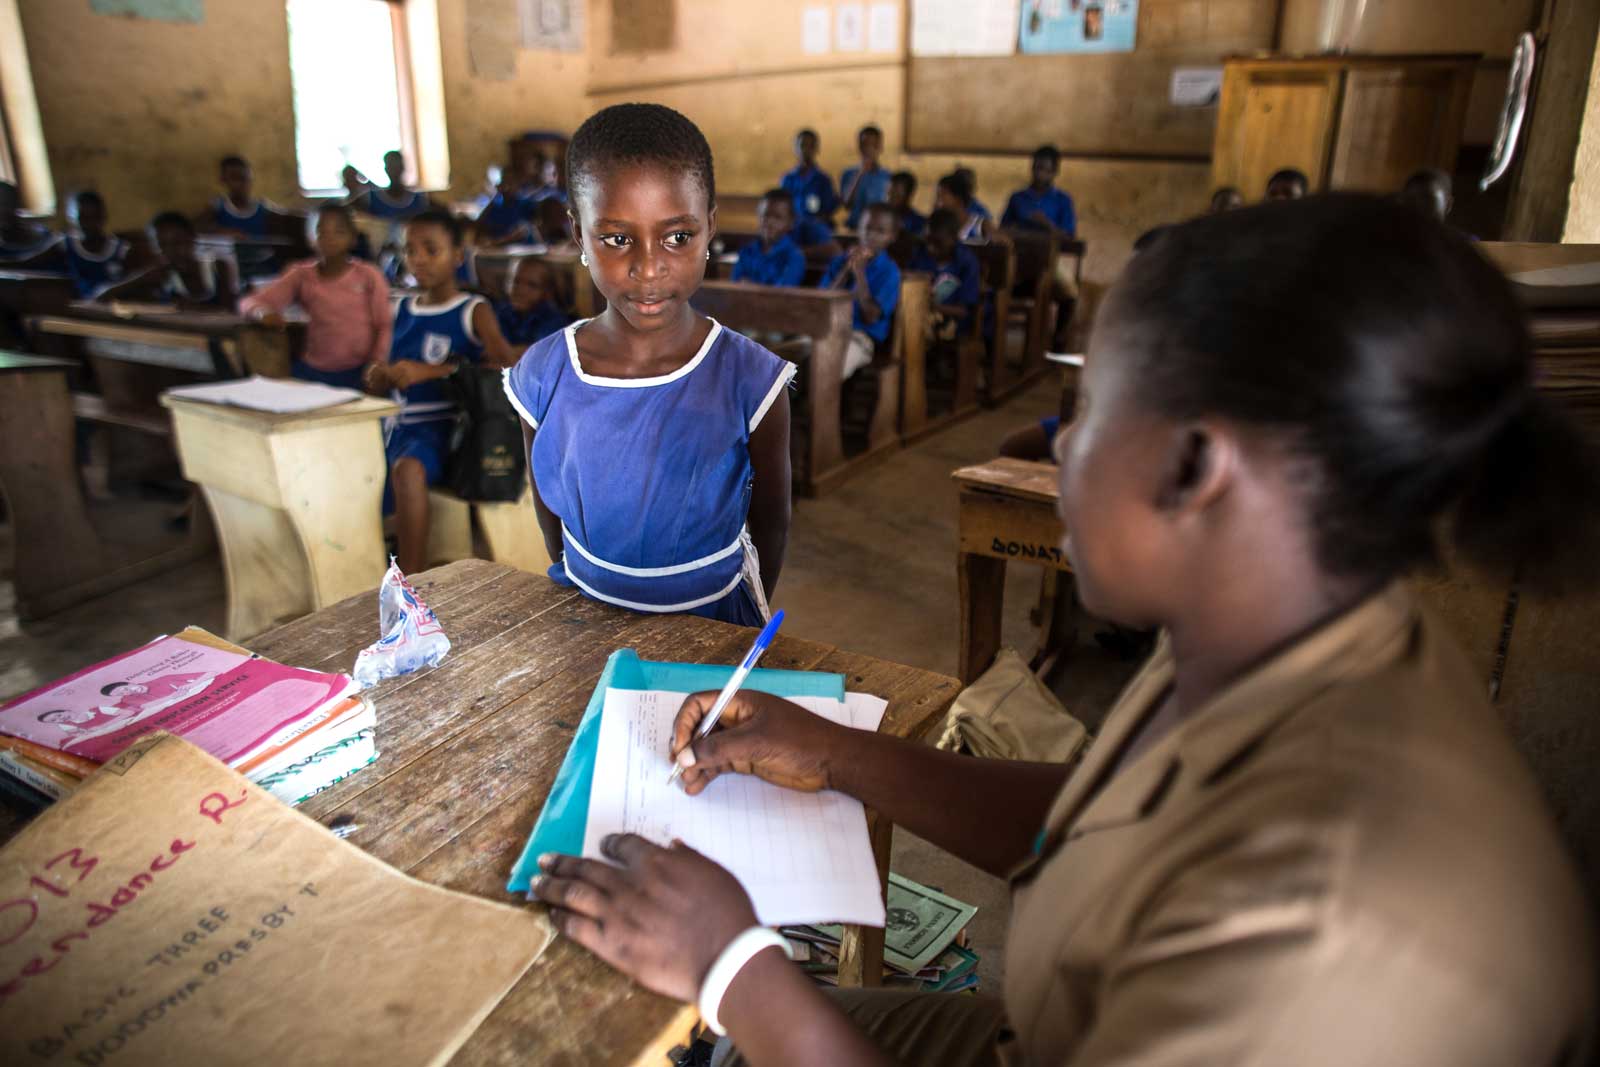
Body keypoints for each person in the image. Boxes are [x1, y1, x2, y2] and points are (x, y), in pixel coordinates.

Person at [528, 195, 1600, 1066]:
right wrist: (836, 751)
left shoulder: (1336, 931)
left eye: (1083, 411)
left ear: (1191, 466)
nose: (1058, 448)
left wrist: (730, 960)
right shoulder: (1264, 636)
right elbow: (1095, 824)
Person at [503, 103, 794, 627]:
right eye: (616, 238)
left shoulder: (750, 378)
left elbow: (772, 519)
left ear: (709, 228)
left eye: (677, 237)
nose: (648, 266)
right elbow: (549, 504)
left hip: (714, 622)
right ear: (578, 235)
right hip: (586, 616)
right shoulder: (545, 372)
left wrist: (735, 627)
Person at [364, 209, 517, 575]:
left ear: (457, 257)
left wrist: (432, 371)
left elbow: (505, 367)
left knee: (409, 469)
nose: (417, 259)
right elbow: (378, 369)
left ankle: (408, 579)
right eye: (410, 251)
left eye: (430, 250)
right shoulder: (401, 307)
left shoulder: (472, 310)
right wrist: (381, 375)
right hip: (397, 425)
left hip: (447, 428)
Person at [239, 204, 391, 389]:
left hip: (359, 371)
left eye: (339, 231)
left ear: (353, 238)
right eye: (321, 231)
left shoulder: (368, 275)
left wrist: (377, 362)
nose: (330, 238)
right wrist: (261, 313)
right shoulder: (301, 274)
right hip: (313, 372)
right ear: (309, 237)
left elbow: (384, 325)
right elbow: (248, 302)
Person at [1002, 145, 1079, 350]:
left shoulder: (1062, 201)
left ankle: (1058, 342)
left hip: (1048, 263)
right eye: (1036, 167)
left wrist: (1046, 225)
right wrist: (1016, 231)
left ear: (1055, 172)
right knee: (996, 286)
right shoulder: (1018, 198)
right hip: (1018, 262)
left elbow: (1069, 237)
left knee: (1070, 294)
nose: (1039, 173)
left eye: (1045, 169)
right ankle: (995, 343)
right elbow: (1002, 229)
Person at [819, 202, 901, 380]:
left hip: (860, 339)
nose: (870, 235)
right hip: (826, 331)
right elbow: (821, 302)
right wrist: (846, 271)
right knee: (788, 361)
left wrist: (859, 274)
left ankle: (820, 408)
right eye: (866, 228)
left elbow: (870, 316)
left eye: (880, 231)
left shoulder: (890, 271)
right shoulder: (841, 262)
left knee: (830, 369)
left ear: (892, 236)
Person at [98, 211, 238, 309]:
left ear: (192, 239)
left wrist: (194, 309)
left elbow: (230, 309)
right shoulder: (160, 277)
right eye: (162, 245)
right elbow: (100, 298)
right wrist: (141, 278)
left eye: (178, 242)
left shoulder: (217, 267)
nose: (171, 251)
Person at [196, 155, 294, 278]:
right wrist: (220, 232)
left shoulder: (263, 206)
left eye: (244, 178)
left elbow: (287, 218)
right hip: (232, 265)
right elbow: (197, 228)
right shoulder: (218, 205)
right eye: (234, 178)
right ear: (223, 180)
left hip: (261, 262)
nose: (240, 184)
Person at [909, 208, 980, 337]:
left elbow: (964, 311)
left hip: (953, 324)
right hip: (918, 316)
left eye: (937, 243)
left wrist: (930, 306)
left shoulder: (966, 262)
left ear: (954, 238)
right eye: (927, 241)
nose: (930, 248)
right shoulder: (920, 254)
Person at [61, 190, 132, 297]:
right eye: (83, 218)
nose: (90, 224)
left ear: (104, 216)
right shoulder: (64, 245)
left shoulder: (122, 249)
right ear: (71, 218)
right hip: (77, 308)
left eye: (95, 217)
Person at [731, 190, 805, 288]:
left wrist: (751, 287)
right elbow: (735, 285)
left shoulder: (794, 257)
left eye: (777, 217)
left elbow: (781, 294)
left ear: (790, 222)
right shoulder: (746, 251)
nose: (770, 222)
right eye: (766, 215)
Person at [780, 128, 838, 249]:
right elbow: (783, 208)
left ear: (817, 149)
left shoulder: (823, 179)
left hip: (816, 230)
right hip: (792, 230)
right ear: (795, 148)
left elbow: (827, 211)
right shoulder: (788, 179)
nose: (806, 150)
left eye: (811, 146)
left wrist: (813, 222)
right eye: (802, 145)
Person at [494, 257, 570, 348]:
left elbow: (539, 353)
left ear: (547, 292)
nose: (521, 291)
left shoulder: (554, 320)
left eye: (532, 285)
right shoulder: (503, 311)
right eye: (516, 281)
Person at [838, 125, 891, 231]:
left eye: (874, 145)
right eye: (865, 145)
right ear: (859, 147)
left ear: (880, 147)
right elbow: (847, 205)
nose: (869, 149)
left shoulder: (887, 176)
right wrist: (859, 174)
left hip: (878, 230)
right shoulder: (848, 174)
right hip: (854, 227)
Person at [359, 150, 431, 221]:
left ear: (403, 167)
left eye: (397, 166)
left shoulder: (418, 199)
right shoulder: (372, 198)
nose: (394, 170)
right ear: (386, 169)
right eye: (391, 166)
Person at [935, 171, 998, 244]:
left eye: (942, 195)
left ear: (958, 198)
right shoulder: (938, 226)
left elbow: (1002, 245)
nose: (938, 202)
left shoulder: (981, 226)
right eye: (938, 196)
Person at [886, 170, 925, 237]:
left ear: (909, 195)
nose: (891, 198)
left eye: (897, 195)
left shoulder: (918, 223)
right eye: (889, 193)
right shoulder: (880, 218)